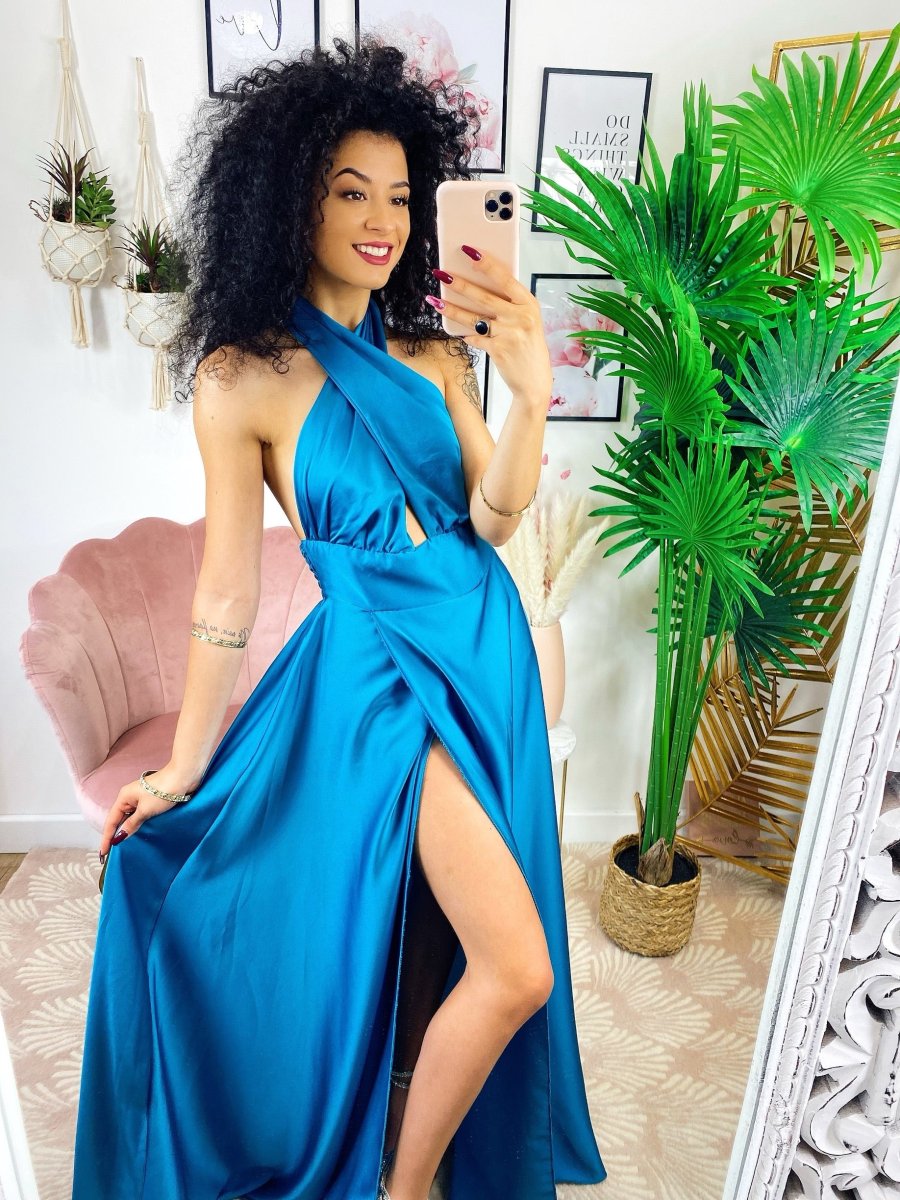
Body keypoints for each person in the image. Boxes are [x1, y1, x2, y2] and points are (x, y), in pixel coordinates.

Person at [72, 35, 607, 1200]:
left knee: (449, 947)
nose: (382, 221)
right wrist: (183, 766)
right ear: (289, 198)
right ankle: (399, 1188)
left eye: (401, 197)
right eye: (350, 191)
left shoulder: (433, 351)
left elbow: (494, 518)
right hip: (379, 681)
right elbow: (225, 592)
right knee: (513, 966)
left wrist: (530, 393)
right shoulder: (241, 376)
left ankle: (408, 1149)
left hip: (483, 651)